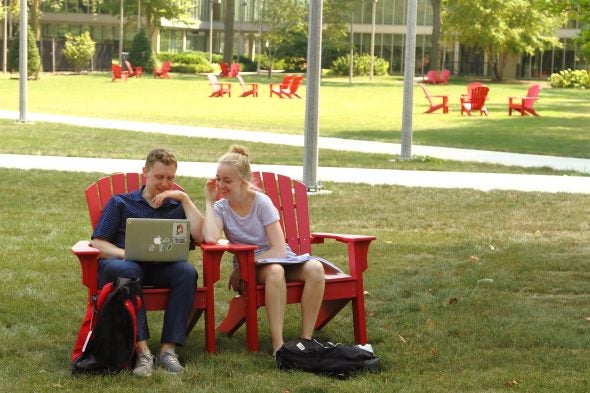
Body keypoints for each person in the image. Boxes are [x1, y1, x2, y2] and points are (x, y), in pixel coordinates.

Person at [202, 145, 326, 356]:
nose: (221, 185)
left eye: (227, 180)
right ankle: (279, 346)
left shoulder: (261, 203)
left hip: (278, 258)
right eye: (218, 179)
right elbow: (211, 238)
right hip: (257, 267)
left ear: (242, 181)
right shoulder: (221, 208)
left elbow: (278, 249)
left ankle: (306, 341)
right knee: (275, 271)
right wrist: (209, 201)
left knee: (316, 268)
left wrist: (243, 268)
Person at [90, 148, 205, 377]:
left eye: (170, 178)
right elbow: (98, 243)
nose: (165, 183)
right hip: (123, 268)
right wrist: (126, 253)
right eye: (159, 177)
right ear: (145, 172)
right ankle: (142, 352)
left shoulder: (176, 206)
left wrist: (184, 198)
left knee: (186, 272)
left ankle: (168, 351)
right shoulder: (121, 203)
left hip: (160, 268)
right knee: (130, 268)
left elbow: (203, 237)